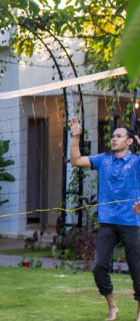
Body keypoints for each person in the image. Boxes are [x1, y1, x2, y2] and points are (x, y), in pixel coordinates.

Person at [69, 117, 139, 321]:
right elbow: (76, 160)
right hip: (108, 222)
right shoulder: (103, 160)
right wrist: (75, 137)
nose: (114, 139)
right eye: (113, 136)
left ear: (129, 141)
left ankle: (139, 311)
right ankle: (112, 306)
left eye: (119, 136)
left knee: (137, 268)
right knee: (99, 267)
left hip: (132, 222)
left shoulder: (136, 162)